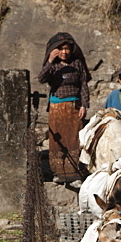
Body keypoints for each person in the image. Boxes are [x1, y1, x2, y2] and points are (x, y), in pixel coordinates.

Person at [38, 32, 91, 184]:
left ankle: (74, 173)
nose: (64, 52)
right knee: (57, 140)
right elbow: (41, 78)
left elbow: (83, 86)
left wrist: (84, 105)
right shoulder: (53, 64)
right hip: (56, 107)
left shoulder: (77, 64)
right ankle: (58, 173)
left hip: (74, 107)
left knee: (74, 139)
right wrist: (49, 60)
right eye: (60, 49)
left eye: (67, 49)